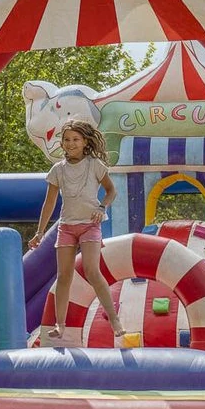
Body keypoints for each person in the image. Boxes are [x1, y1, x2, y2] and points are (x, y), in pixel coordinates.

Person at [29, 120, 125, 340]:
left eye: (76, 139)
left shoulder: (94, 165)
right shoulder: (58, 170)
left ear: (85, 142)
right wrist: (40, 232)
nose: (71, 143)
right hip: (67, 227)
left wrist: (102, 207)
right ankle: (60, 325)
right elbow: (49, 202)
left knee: (92, 270)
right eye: (67, 140)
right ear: (62, 143)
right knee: (63, 276)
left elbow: (111, 191)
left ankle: (114, 319)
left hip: (90, 224)